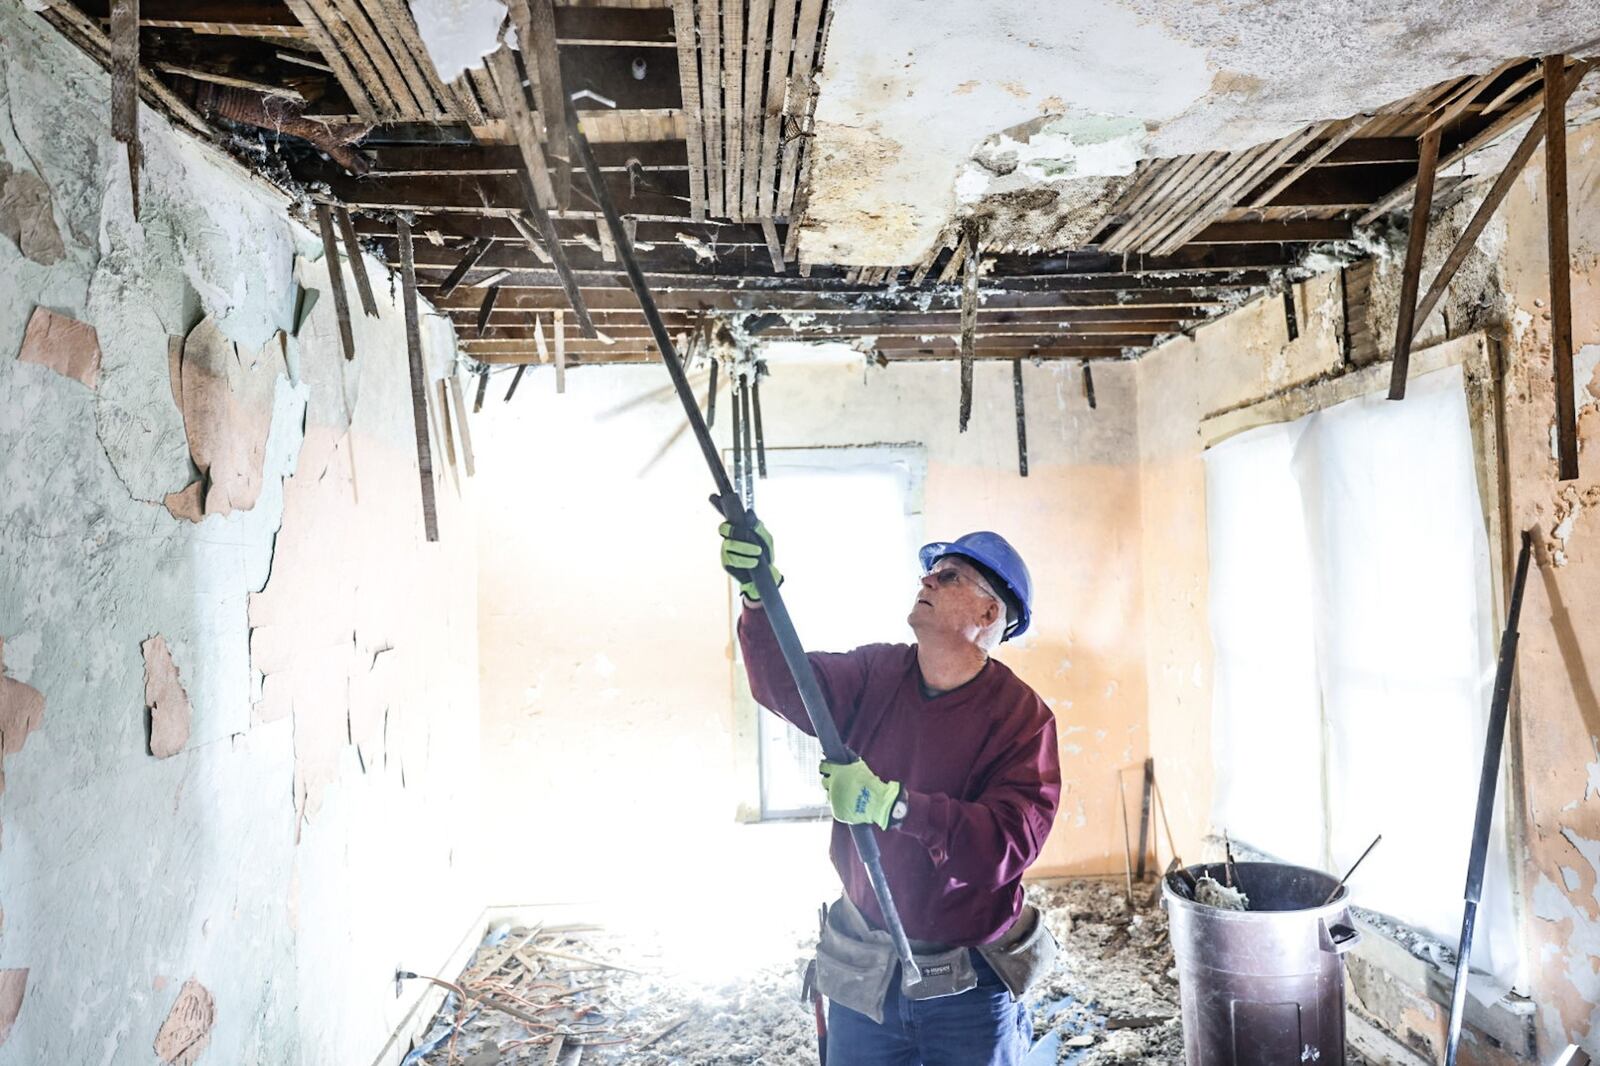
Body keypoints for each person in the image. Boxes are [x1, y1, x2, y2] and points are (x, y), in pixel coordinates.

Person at [720, 520, 1062, 1066]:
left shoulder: (1022, 719)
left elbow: (1007, 845)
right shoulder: (878, 672)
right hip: (868, 973)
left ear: (988, 614)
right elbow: (787, 684)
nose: (927, 580)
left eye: (948, 576)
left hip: (970, 985)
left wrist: (893, 805)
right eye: (930, 572)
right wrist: (760, 598)